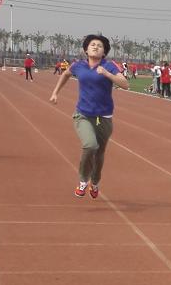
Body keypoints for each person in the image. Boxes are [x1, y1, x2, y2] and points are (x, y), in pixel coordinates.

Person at [50, 34, 127, 198]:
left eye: (99, 46)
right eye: (92, 44)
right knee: (90, 145)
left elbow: (125, 84)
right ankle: (83, 180)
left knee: (99, 154)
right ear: (86, 49)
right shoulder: (78, 65)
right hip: (83, 115)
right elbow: (65, 74)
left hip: (104, 117)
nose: (95, 47)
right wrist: (55, 92)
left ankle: (95, 182)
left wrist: (107, 74)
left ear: (104, 52)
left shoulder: (109, 66)